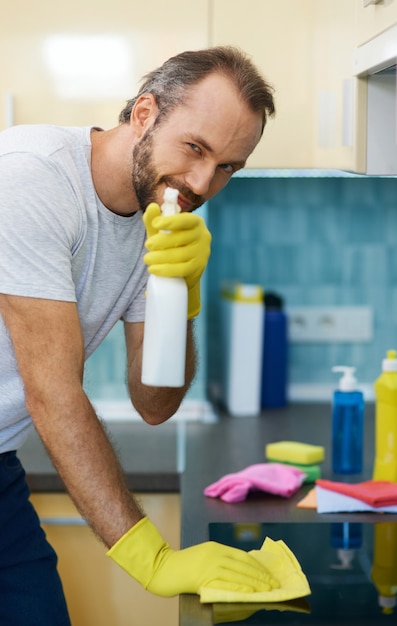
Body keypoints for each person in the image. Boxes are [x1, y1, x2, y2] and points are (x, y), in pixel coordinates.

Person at [0, 45, 275, 623]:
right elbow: (52, 393)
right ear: (145, 114)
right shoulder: (31, 179)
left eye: (227, 167)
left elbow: (155, 403)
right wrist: (151, 558)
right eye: (195, 148)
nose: (202, 182)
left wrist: (183, 294)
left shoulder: (160, 217)